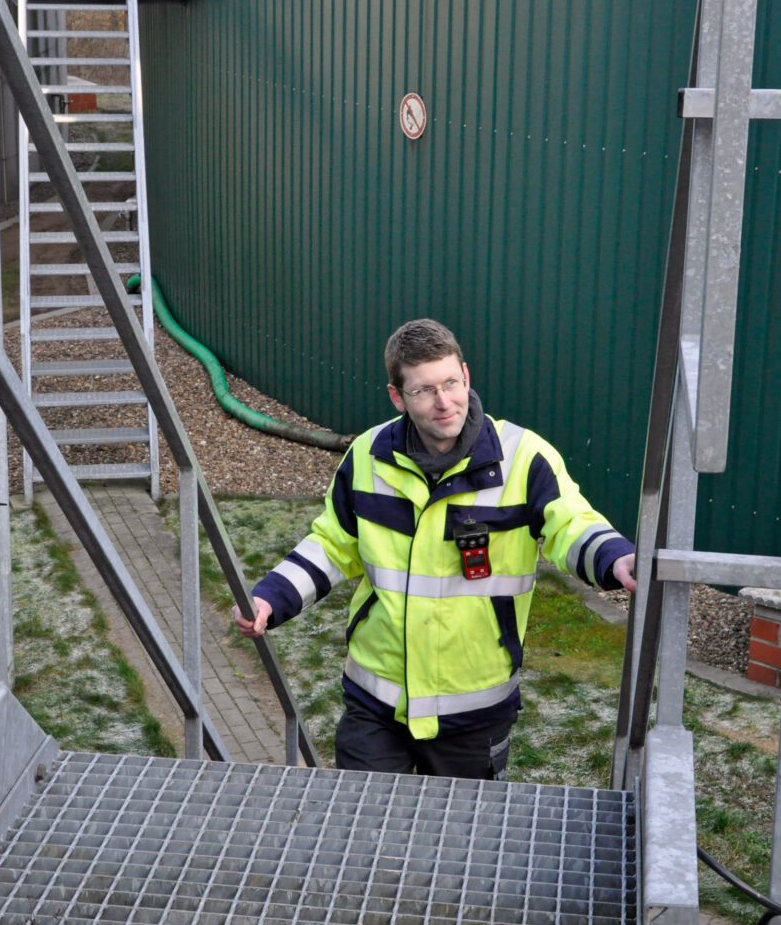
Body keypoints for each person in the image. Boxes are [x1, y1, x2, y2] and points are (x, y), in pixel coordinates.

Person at [233, 318, 637, 781]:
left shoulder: (524, 458)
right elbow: (333, 543)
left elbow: (571, 523)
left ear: (466, 375)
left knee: (460, 846)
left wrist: (615, 558)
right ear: (397, 396)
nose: (445, 402)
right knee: (365, 834)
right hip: (375, 702)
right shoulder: (367, 456)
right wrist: (270, 598)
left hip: (475, 709)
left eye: (450, 383)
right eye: (424, 390)